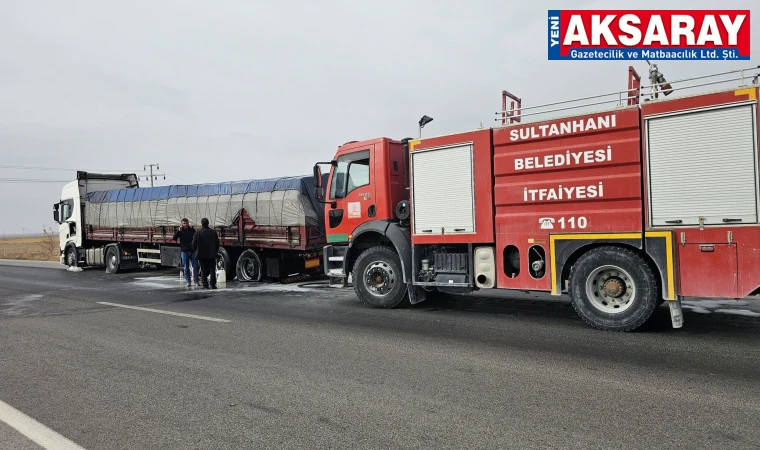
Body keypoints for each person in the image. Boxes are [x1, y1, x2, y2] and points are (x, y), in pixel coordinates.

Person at [192, 217, 220, 289]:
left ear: (202, 224)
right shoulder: (213, 232)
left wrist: (196, 250)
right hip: (211, 254)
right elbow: (217, 243)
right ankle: (213, 284)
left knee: (203, 270)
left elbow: (193, 244)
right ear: (208, 223)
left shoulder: (198, 233)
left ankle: (205, 285)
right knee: (212, 269)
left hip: (202, 254)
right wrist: (214, 251)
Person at [173, 218, 200, 287]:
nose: (185, 225)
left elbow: (196, 238)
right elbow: (174, 238)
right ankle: (188, 281)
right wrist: (178, 231)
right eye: (184, 223)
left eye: (186, 223)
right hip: (184, 251)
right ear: (182, 224)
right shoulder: (180, 231)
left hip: (192, 250)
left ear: (188, 223)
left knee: (195, 266)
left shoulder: (192, 230)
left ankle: (196, 280)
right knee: (186, 267)